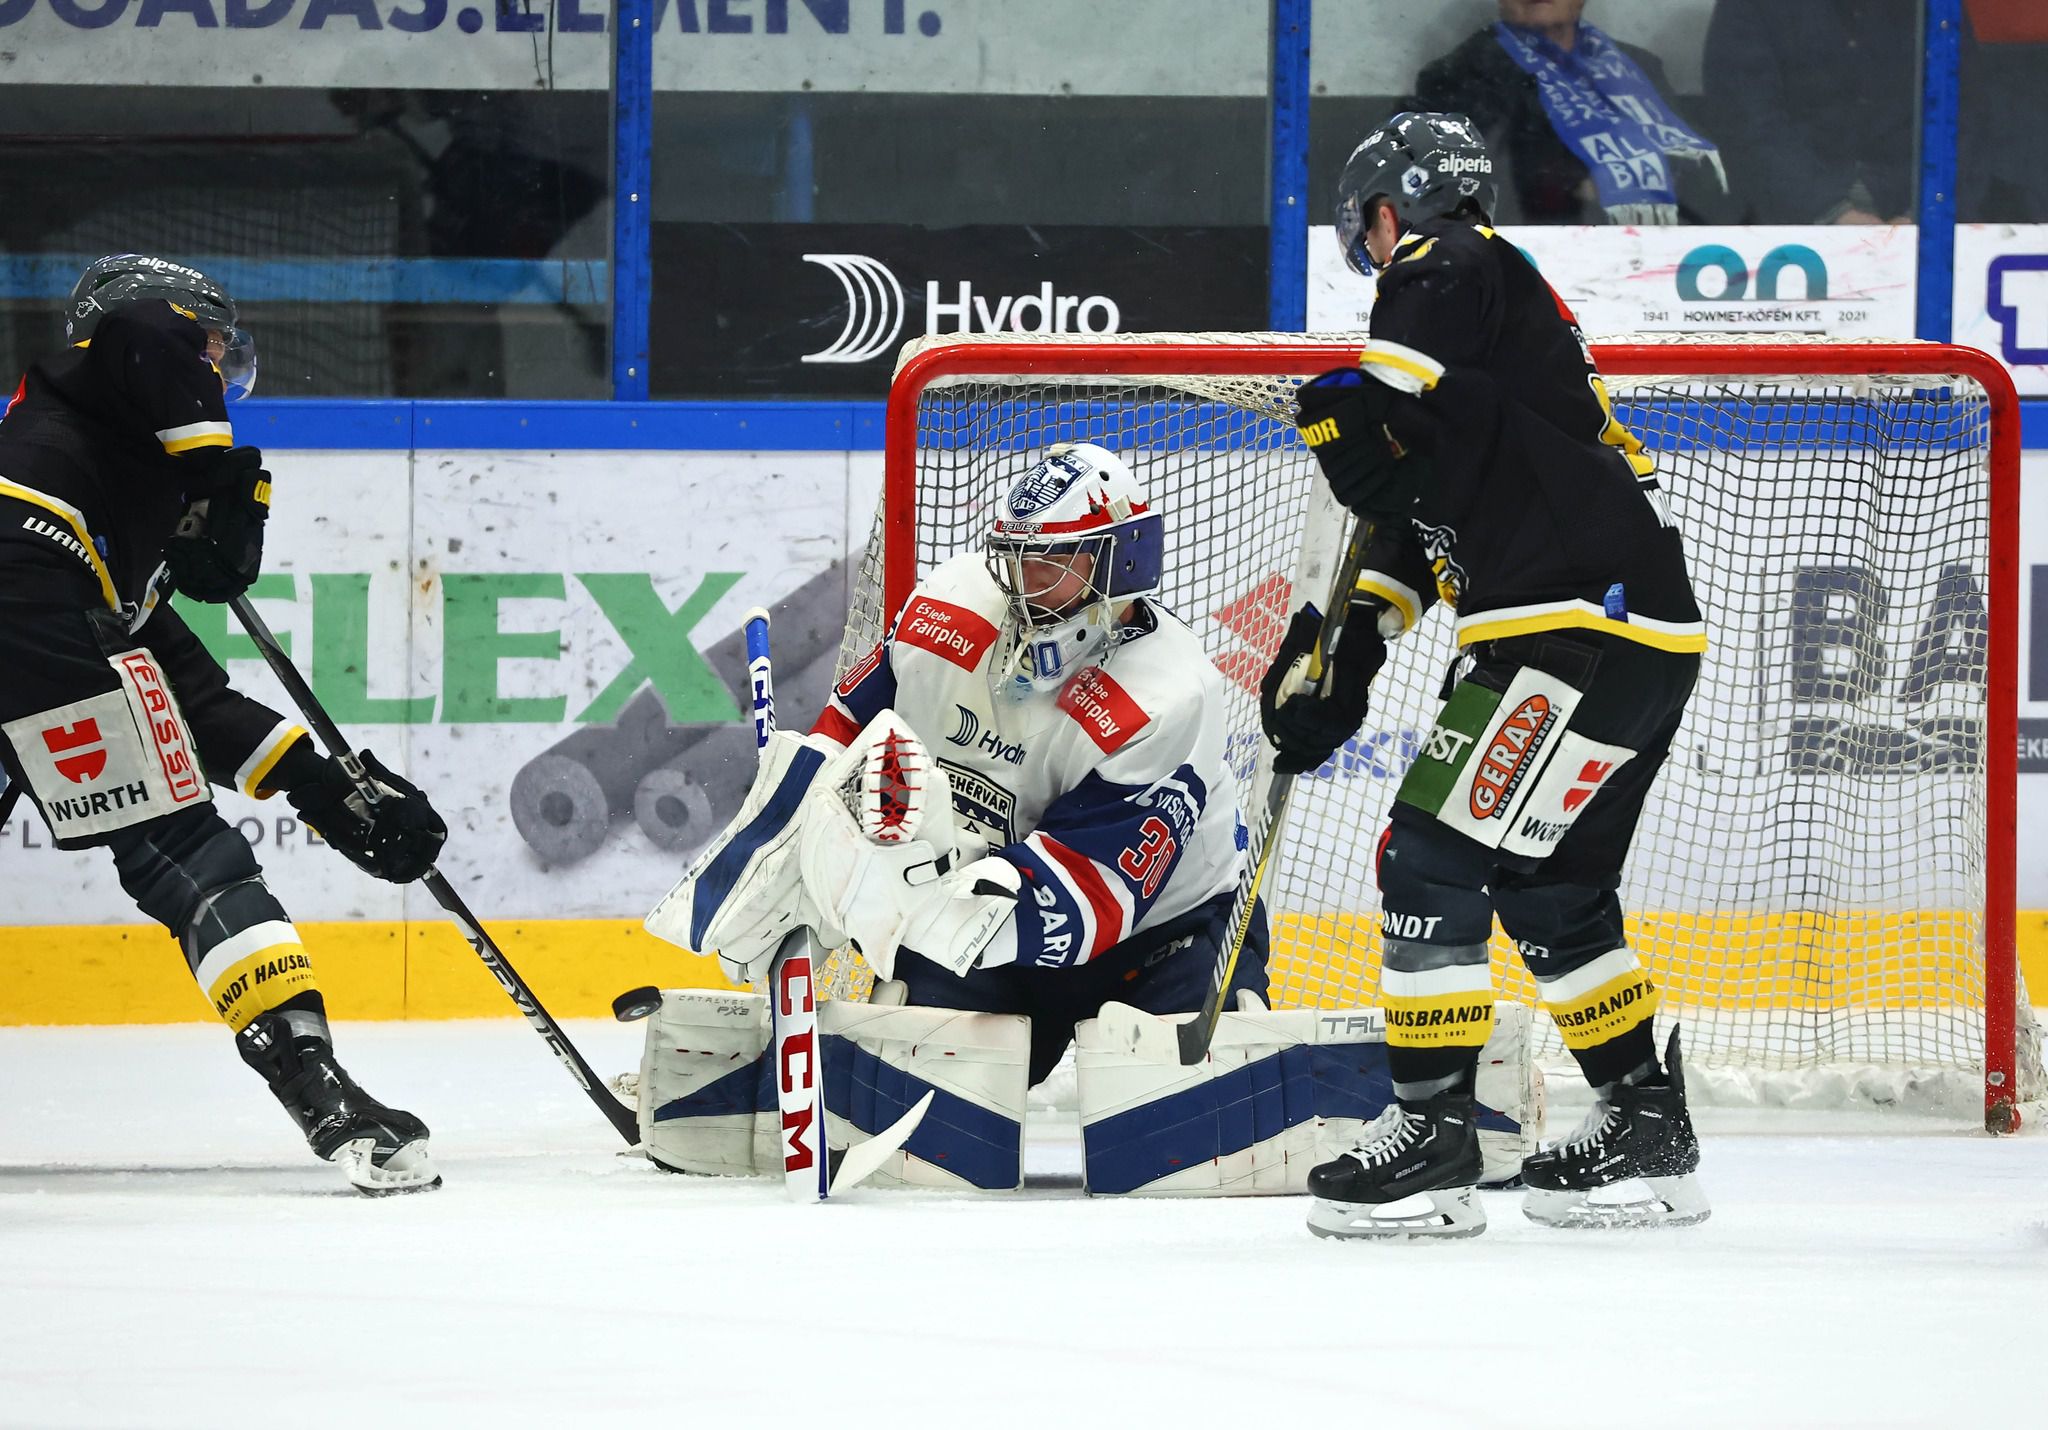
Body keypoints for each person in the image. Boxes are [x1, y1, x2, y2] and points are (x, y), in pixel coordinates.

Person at [1267, 113, 1708, 1238]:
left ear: (1385, 211)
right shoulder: (1489, 358)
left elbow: (1380, 411)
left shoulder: (1444, 260)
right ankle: (1645, 1135)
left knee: (1427, 854)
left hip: (1573, 628)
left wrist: (1342, 415)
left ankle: (1430, 1138)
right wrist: (1345, 653)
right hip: (1629, 636)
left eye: (1369, 234)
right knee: (1547, 887)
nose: (1374, 259)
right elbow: (1415, 521)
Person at [0, 254, 450, 1195]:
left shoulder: (97, 486)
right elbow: (139, 339)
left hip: (34, 609)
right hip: (18, 606)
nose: (221, 364)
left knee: (180, 824)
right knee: (186, 849)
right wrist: (215, 472)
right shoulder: (113, 370)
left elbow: (185, 689)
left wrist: (320, 785)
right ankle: (314, 1085)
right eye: (212, 343)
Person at [656, 442, 1266, 1092]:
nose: (1024, 588)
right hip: (978, 924)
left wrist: (888, 902)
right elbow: (846, 735)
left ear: (1120, 565)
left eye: (1052, 566)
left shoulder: (1167, 695)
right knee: (904, 1103)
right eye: (1015, 561)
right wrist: (792, 842)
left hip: (1161, 935)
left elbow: (1084, 905)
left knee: (1183, 1116)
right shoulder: (950, 604)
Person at [1415, 0, 1728, 225]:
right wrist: (1576, 186)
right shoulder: (1461, 77)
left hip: (1656, 265)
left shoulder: (1641, 68)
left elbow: (1705, 176)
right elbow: (1470, 189)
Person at [1703, 0, 1917, 224]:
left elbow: (1953, 124)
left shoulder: (1931, 10)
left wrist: (1920, 214)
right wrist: (1831, 212)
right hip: (1790, 215)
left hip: (1918, 214)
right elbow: (1745, 123)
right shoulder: (1751, 7)